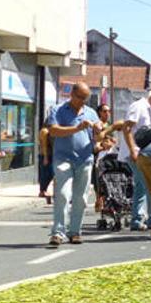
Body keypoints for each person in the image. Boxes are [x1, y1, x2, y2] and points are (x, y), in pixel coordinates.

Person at [46, 83, 101, 245]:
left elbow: (98, 138)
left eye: (86, 98)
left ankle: (75, 231)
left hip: (84, 159)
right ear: (72, 94)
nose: (82, 101)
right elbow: (54, 131)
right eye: (80, 97)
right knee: (62, 195)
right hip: (63, 158)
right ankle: (57, 232)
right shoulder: (58, 110)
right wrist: (77, 128)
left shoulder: (90, 113)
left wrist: (98, 131)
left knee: (81, 198)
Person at [120, 90, 151, 231]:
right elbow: (127, 127)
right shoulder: (139, 107)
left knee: (141, 187)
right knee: (150, 185)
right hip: (135, 153)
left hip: (142, 153)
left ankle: (137, 219)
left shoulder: (147, 109)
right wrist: (132, 149)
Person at [38, 121, 54, 204]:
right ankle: (42, 190)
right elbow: (44, 145)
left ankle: (44, 190)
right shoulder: (44, 131)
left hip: (51, 155)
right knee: (46, 174)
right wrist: (45, 157)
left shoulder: (51, 131)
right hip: (45, 155)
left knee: (51, 173)